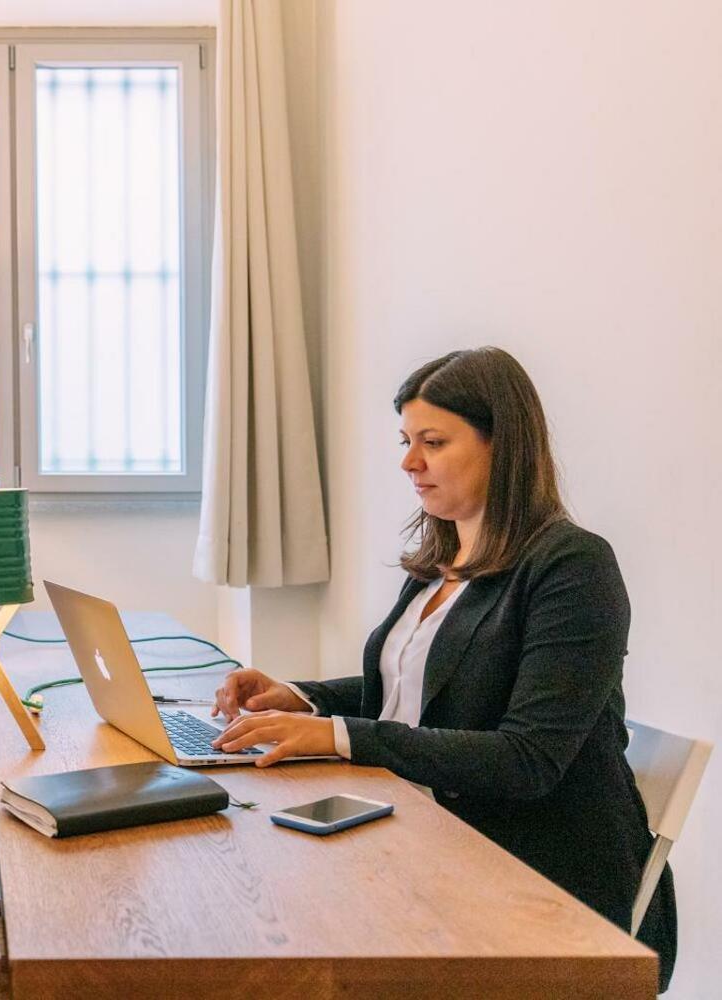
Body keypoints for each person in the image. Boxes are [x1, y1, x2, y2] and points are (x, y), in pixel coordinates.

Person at [210, 347, 677, 991]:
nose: (408, 462)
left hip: (540, 881)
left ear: (503, 447)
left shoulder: (573, 568)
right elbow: (414, 693)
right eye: (406, 440)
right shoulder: (444, 558)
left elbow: (528, 759)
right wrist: (300, 698)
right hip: (427, 838)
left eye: (432, 441)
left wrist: (342, 737)